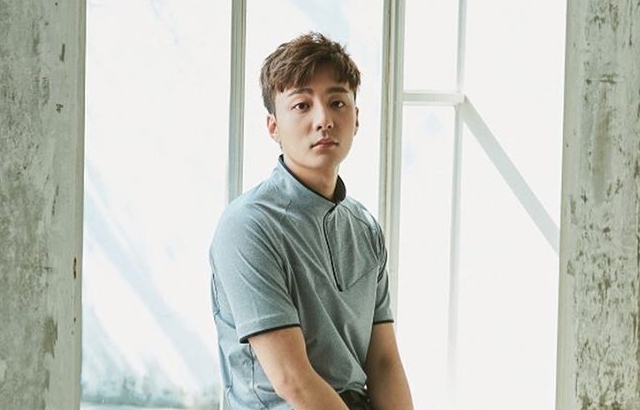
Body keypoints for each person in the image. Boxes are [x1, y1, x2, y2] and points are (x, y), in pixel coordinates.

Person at [209, 31, 414, 410]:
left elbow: (384, 362)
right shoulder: (248, 225)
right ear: (273, 126)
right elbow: (293, 381)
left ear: (356, 118)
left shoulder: (364, 227)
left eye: (337, 102)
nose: (324, 120)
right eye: (302, 105)